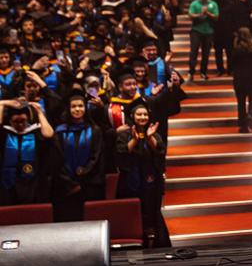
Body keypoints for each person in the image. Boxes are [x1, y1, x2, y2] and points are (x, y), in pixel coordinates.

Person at [115, 101, 170, 247]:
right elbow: (122, 152)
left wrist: (150, 137)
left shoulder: (154, 133)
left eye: (145, 114)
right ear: (132, 116)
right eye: (139, 114)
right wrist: (134, 139)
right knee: (131, 213)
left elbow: (159, 151)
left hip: (150, 181)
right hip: (130, 181)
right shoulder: (124, 134)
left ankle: (153, 244)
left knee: (151, 213)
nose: (143, 117)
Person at [53, 91, 104, 221]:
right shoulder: (60, 131)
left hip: (90, 184)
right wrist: (69, 181)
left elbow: (96, 156)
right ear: (68, 109)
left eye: (81, 106)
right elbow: (57, 158)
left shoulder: (94, 130)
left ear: (85, 108)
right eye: (74, 106)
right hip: (65, 185)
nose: (77, 109)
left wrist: (84, 172)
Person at [0, 100, 54, 205]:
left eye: (23, 121)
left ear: (28, 119)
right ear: (10, 121)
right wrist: (3, 104)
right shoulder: (5, 134)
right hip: (9, 184)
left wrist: (39, 111)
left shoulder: (35, 132)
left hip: (33, 184)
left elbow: (49, 134)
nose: (20, 124)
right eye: (16, 121)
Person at [231, 27, 252, 133]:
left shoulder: (237, 49)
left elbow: (232, 64)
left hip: (240, 79)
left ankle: (243, 125)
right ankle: (251, 116)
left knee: (241, 103)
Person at [187, 0, 219, 80]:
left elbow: (216, 16)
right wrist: (200, 14)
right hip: (196, 30)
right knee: (194, 52)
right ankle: (191, 72)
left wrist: (207, 13)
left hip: (209, 31)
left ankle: (203, 72)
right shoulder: (195, 4)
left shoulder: (213, 4)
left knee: (206, 53)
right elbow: (190, 15)